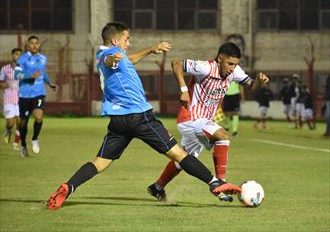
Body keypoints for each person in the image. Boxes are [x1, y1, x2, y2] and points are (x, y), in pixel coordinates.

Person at [47, 22, 241, 210]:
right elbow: (111, 59)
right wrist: (113, 58)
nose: (128, 42)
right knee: (179, 154)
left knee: (100, 162)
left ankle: (68, 187)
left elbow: (126, 60)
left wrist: (150, 49)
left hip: (118, 121)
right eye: (126, 39)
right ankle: (214, 183)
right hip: (140, 117)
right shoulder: (109, 54)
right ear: (115, 40)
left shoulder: (113, 55)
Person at [147, 42, 269, 202]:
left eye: (235, 64)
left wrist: (260, 81)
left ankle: (157, 187)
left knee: (183, 159)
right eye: (230, 63)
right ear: (220, 58)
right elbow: (176, 64)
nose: (232, 68)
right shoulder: (205, 67)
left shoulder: (235, 72)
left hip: (203, 122)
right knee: (223, 136)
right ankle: (221, 182)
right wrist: (184, 90)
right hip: (190, 118)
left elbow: (252, 86)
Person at [14, 36, 59, 157]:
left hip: (39, 93)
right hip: (24, 95)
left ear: (39, 45)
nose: (34, 45)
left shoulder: (43, 58)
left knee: (39, 116)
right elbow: (16, 75)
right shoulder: (22, 59)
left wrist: (50, 83)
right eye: (32, 43)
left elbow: (43, 74)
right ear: (28, 45)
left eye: (36, 43)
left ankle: (34, 139)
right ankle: (23, 145)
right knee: (23, 123)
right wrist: (30, 77)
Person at [0, 48, 22, 151]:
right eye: (17, 54)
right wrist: (6, 84)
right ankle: (8, 129)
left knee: (20, 122)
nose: (18, 57)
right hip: (8, 99)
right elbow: (0, 83)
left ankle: (16, 143)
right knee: (11, 122)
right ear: (12, 55)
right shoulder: (5, 69)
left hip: (19, 99)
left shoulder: (23, 70)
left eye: (20, 55)